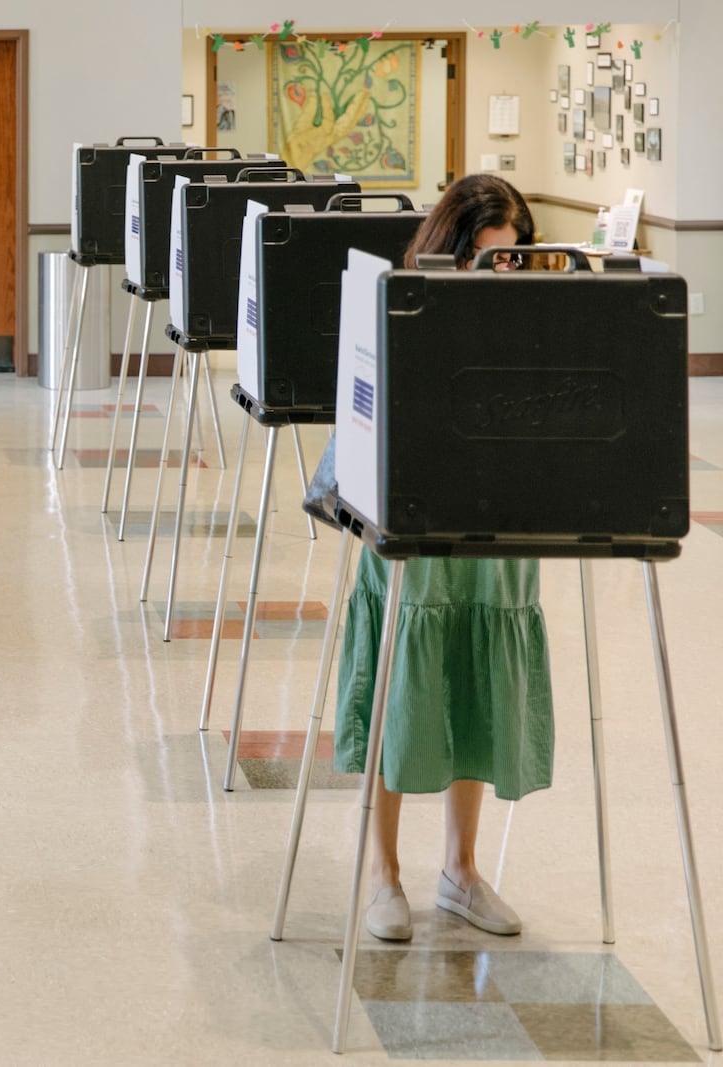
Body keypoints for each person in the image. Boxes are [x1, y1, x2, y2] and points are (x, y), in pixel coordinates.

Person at [332, 173, 553, 942]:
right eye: (489, 258)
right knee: (403, 689)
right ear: (450, 251)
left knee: (477, 687)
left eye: (514, 258)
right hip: (412, 536)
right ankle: (383, 873)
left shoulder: (528, 323)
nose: (503, 272)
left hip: (494, 539)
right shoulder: (399, 306)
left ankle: (461, 870)